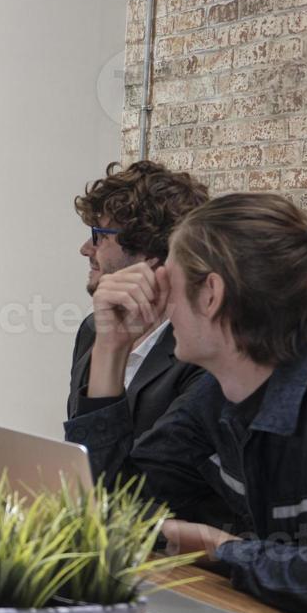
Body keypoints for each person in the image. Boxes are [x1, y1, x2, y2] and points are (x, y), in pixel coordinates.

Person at [65, 194, 307, 613]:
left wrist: (223, 548)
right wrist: (111, 349)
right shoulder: (216, 394)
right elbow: (111, 509)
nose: (161, 304)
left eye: (168, 283)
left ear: (210, 294)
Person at [68, 160, 209, 440]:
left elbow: (149, 480)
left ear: (148, 252)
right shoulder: (92, 330)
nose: (85, 249)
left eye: (99, 237)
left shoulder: (199, 358)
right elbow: (81, 454)